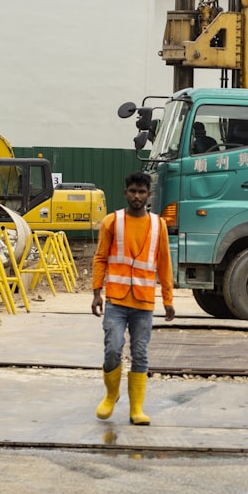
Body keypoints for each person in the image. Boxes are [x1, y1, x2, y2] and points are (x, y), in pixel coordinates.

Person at [91, 171, 175, 425]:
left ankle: (136, 409)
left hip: (144, 302)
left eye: (142, 192)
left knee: (140, 354)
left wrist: (168, 299)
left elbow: (164, 263)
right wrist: (97, 292)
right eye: (133, 191)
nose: (137, 196)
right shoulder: (111, 222)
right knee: (113, 349)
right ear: (125, 193)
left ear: (149, 195)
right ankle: (111, 394)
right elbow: (100, 258)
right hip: (116, 300)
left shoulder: (158, 225)